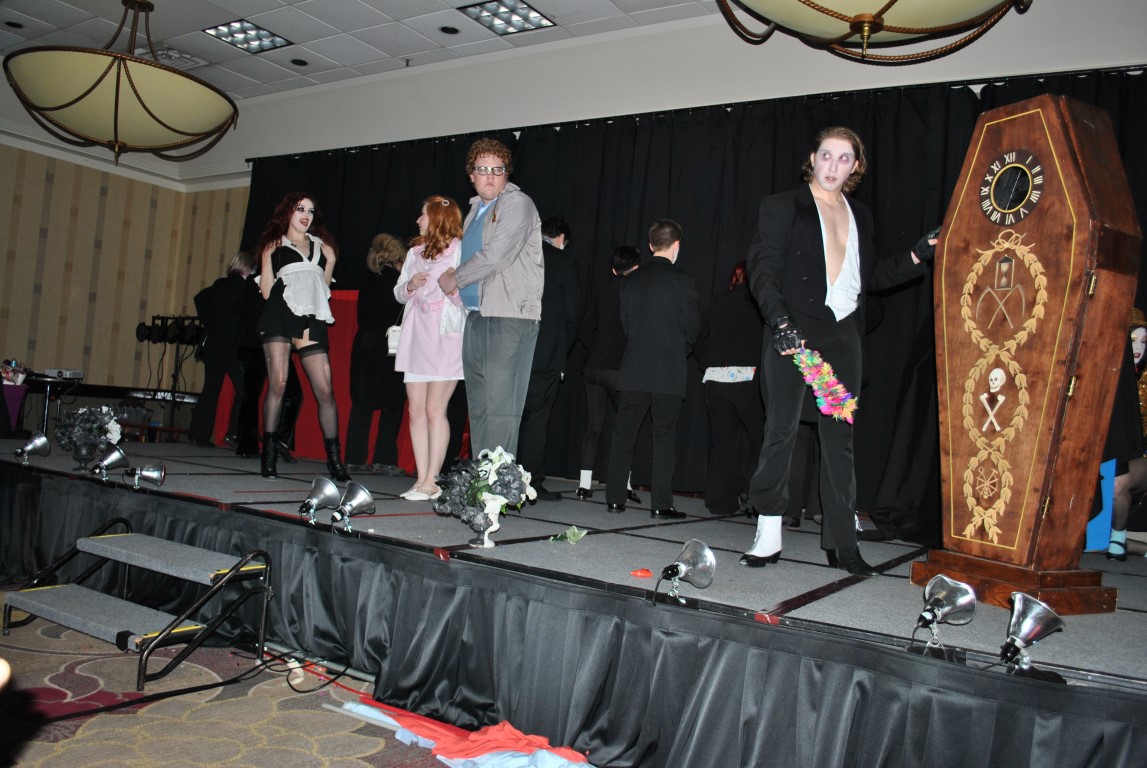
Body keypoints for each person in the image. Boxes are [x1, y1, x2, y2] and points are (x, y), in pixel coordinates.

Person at [742, 126, 936, 574]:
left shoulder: (860, 215)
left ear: (855, 166)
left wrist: (916, 255)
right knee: (782, 430)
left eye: (844, 158)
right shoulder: (782, 205)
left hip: (841, 333)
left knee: (839, 438)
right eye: (826, 155)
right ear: (813, 158)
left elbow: (870, 277)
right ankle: (768, 531)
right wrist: (780, 322)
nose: (833, 165)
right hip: (794, 329)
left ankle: (842, 543)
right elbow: (763, 269)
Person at [438, 138, 542, 458]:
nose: (490, 176)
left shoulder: (517, 203)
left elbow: (496, 256)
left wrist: (454, 278)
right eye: (483, 169)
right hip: (476, 315)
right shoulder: (473, 211)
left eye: (498, 169)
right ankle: (483, 479)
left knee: (501, 410)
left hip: (508, 316)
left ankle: (498, 483)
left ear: (507, 173)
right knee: (480, 409)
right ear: (471, 175)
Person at [606, 219, 700, 518]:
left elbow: (627, 326)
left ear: (650, 245)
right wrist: (677, 350)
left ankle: (615, 498)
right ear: (677, 245)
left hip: (635, 367)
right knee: (664, 438)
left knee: (624, 435)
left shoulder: (630, 281)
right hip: (669, 369)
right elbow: (692, 329)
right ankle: (660, 504)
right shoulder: (684, 282)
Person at [256, 192, 350, 482]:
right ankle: (268, 455)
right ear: (288, 213)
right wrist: (266, 257)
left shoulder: (321, 246)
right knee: (278, 384)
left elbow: (322, 289)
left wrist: (330, 262)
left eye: (310, 210)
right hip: (279, 312)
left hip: (310, 315)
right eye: (300, 209)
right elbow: (267, 292)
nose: (306, 215)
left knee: (325, 390)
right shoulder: (276, 245)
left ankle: (335, 460)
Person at [394, 196, 466, 501]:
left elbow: (468, 298)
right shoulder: (414, 252)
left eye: (422, 214)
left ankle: (433, 480)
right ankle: (421, 478)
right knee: (415, 410)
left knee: (436, 409)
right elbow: (399, 294)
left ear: (437, 218)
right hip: (416, 334)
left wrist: (451, 289)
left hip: (445, 336)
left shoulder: (459, 250)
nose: (418, 220)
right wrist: (410, 285)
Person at [694, 260, 764, 516]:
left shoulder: (717, 302)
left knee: (722, 443)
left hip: (716, 380)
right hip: (748, 380)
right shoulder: (759, 306)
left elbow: (698, 339)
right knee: (761, 438)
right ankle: (752, 494)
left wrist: (708, 365)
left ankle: (719, 502)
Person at [517, 216, 580, 501]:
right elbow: (573, 313)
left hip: (512, 348)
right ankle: (531, 481)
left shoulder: (519, 256)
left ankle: (499, 476)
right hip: (546, 353)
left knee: (509, 416)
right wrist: (561, 350)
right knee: (537, 419)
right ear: (562, 237)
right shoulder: (564, 261)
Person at [575, 245, 643, 504]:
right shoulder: (635, 293)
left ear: (614, 269)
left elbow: (584, 328)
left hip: (593, 366)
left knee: (594, 426)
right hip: (619, 369)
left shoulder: (602, 291)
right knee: (626, 429)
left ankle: (583, 485)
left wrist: (598, 348)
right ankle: (624, 484)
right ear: (636, 267)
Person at [345, 233, 408, 475]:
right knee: (392, 403)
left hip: (364, 343)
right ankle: (384, 458)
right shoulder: (400, 282)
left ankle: (354, 457)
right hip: (390, 345)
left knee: (361, 403)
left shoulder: (368, 280)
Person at [232, 250, 303, 460]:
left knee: (250, 396)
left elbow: (239, 310)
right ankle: (278, 438)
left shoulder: (251, 282)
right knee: (292, 393)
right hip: (271, 343)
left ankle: (247, 445)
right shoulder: (283, 285)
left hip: (249, 343)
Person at [187, 256, 247, 446]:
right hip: (233, 346)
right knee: (243, 388)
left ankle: (199, 433)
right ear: (247, 268)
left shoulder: (219, 285)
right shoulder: (245, 288)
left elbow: (199, 298)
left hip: (214, 344)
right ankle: (234, 432)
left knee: (211, 389)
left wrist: (211, 323)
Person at [1106, 307, 1147, 560]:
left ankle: (1118, 539)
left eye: (1144, 341)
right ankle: (1125, 544)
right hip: (1109, 453)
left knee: (1117, 480)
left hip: (1141, 457)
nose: (1139, 347)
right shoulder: (1107, 373)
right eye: (1133, 340)